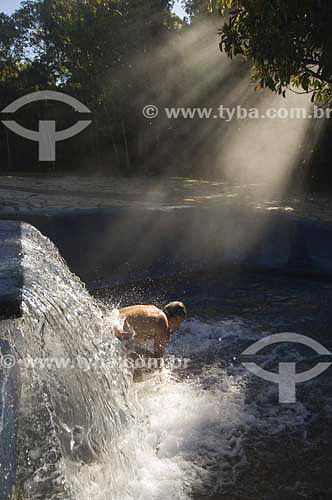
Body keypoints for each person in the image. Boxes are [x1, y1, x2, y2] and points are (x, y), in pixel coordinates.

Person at [114, 301, 187, 376]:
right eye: (179, 322)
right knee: (154, 366)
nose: (178, 327)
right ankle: (129, 384)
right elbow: (159, 357)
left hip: (109, 323)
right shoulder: (163, 324)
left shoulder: (152, 310)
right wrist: (162, 377)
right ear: (175, 319)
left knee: (140, 359)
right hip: (117, 337)